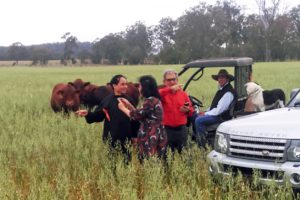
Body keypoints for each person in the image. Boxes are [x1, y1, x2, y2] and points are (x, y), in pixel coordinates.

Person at [75, 74, 139, 159]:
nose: (125, 86)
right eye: (122, 84)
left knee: (126, 163)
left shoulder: (129, 101)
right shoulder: (106, 101)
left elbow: (134, 120)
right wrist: (88, 113)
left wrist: (135, 136)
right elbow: (98, 116)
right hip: (111, 138)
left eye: (126, 84)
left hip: (126, 138)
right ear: (114, 86)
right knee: (112, 164)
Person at [118, 75, 168, 161]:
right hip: (158, 133)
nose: (138, 88)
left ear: (145, 88)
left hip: (151, 135)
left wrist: (123, 108)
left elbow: (136, 116)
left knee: (149, 160)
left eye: (140, 86)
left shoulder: (150, 101)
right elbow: (143, 114)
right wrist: (129, 105)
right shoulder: (155, 99)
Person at [194, 69, 235, 147]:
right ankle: (197, 138)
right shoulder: (221, 90)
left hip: (221, 117)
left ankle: (202, 144)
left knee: (199, 120)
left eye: (223, 77)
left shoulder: (228, 93)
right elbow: (215, 105)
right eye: (219, 78)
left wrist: (205, 113)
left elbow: (219, 110)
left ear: (227, 79)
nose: (220, 79)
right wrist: (206, 111)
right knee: (195, 116)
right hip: (218, 114)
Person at [159, 69, 194, 153]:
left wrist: (187, 110)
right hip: (167, 130)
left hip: (181, 129)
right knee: (167, 155)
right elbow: (157, 95)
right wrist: (170, 89)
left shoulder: (183, 94)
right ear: (164, 82)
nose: (172, 82)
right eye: (169, 80)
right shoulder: (163, 94)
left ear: (177, 80)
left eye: (174, 79)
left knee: (182, 154)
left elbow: (191, 111)